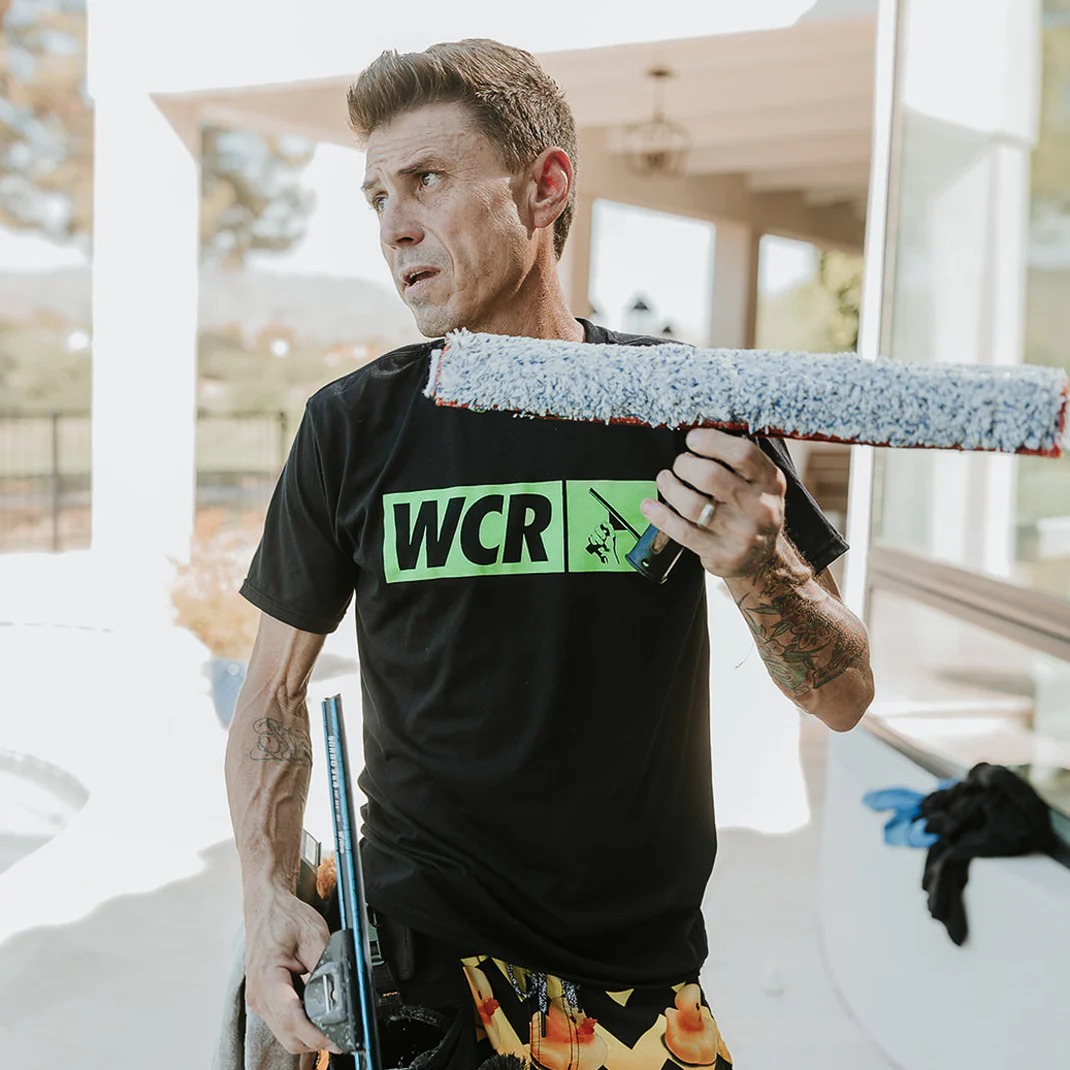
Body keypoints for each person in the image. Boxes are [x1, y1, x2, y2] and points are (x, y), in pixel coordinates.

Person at [225, 38, 874, 1068]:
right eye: (378, 196)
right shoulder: (353, 425)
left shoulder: (687, 408)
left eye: (427, 180)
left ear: (545, 186)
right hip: (420, 956)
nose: (394, 225)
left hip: (635, 977)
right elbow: (271, 696)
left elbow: (843, 695)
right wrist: (266, 899)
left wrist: (763, 566)